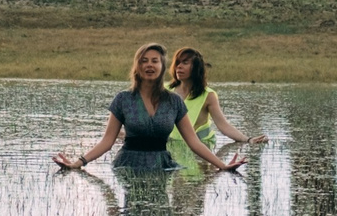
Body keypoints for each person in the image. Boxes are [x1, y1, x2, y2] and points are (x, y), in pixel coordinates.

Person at [56, 42, 245, 174]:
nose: (149, 65)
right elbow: (107, 141)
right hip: (127, 165)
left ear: (162, 66)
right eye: (144, 61)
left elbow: (194, 142)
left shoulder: (174, 102)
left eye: (155, 61)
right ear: (137, 66)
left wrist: (222, 165)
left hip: (163, 165)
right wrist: (78, 163)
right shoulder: (123, 99)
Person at [167, 47, 264, 175]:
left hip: (202, 147)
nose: (179, 66)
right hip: (172, 146)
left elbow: (223, 125)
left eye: (185, 63)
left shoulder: (208, 95)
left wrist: (248, 139)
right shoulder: (165, 91)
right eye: (177, 63)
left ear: (196, 68)